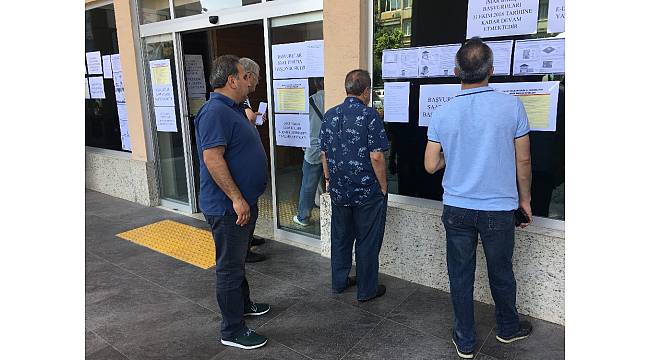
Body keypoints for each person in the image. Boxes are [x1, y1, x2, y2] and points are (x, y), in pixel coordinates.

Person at [424, 37, 533, 359]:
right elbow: (523, 161)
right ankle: (508, 328)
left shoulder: (443, 112)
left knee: (460, 275)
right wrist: (524, 200)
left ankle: (465, 340)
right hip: (499, 209)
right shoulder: (511, 106)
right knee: (501, 272)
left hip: (457, 207)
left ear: (457, 71)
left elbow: (430, 165)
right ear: (492, 71)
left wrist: (453, 156)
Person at [194, 54, 270, 350]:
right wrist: (237, 199)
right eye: (244, 75)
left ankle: (244, 305)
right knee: (229, 267)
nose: (248, 80)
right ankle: (232, 329)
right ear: (232, 79)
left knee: (238, 261)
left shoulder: (235, 108)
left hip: (242, 203)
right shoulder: (214, 111)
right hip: (227, 207)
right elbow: (212, 158)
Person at [319, 69, 389, 302]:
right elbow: (377, 156)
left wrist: (328, 180)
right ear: (367, 91)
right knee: (367, 241)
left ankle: (339, 282)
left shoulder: (330, 115)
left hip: (339, 189)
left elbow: (324, 153)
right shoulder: (370, 116)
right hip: (367, 191)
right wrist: (383, 187)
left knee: (340, 238)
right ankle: (367, 290)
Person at [238, 57, 268, 263]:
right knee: (249, 209)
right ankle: (245, 248)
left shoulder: (243, 99)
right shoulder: (241, 100)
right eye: (256, 79)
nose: (257, 83)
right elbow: (248, 117)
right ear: (247, 77)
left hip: (248, 171)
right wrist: (255, 115)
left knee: (253, 208)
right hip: (243, 175)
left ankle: (248, 240)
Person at [293, 77, 325, 227]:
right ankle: (324, 207)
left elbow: (303, 124)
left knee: (308, 183)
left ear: (315, 84)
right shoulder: (335, 98)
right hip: (330, 148)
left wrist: (302, 143)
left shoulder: (309, 101)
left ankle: (303, 216)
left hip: (313, 147)